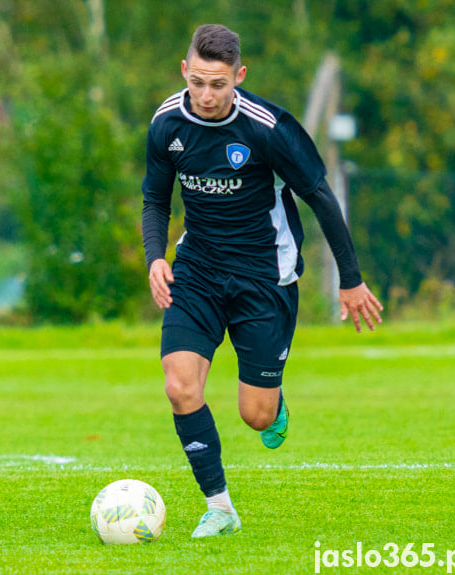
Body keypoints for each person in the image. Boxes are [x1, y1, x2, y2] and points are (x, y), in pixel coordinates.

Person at [141, 24, 383, 538]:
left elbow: (319, 194)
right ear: (185, 71)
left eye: (219, 84)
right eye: (199, 82)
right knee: (179, 385)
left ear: (239, 77)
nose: (206, 95)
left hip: (264, 277)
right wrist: (154, 257)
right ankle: (220, 509)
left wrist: (351, 279)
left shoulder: (268, 127)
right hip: (198, 270)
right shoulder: (167, 123)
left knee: (256, 415)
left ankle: (273, 401)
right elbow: (156, 198)